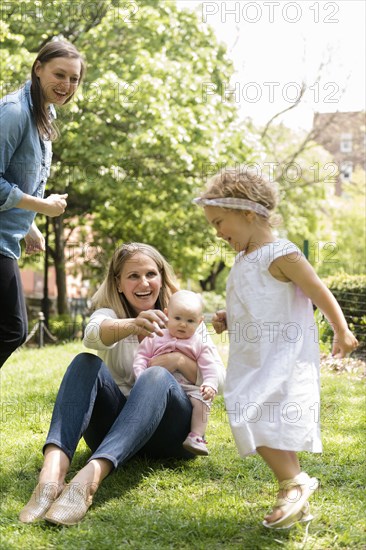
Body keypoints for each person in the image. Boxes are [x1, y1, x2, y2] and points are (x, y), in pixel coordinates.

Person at [193, 168, 358, 529]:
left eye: (220, 222)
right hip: (251, 358)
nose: (218, 233)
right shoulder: (242, 259)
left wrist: (341, 330)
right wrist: (227, 317)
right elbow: (255, 303)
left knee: (253, 414)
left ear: (248, 213)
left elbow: (319, 291)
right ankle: (295, 494)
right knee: (260, 417)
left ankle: (293, 484)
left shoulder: (282, 253)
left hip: (282, 357)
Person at [19, 243, 226, 526]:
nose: (144, 283)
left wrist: (176, 360)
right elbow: (91, 336)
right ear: (118, 283)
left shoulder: (185, 318)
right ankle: (51, 477)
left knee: (155, 376)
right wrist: (133, 325)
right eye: (133, 276)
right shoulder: (110, 315)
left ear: (162, 278)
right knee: (85, 362)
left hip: (169, 434)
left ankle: (88, 480)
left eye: (151, 274)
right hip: (115, 430)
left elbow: (219, 381)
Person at [0, 40, 85, 368]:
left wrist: (30, 224)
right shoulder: (15, 113)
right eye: (59, 74)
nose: (67, 85)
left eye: (74, 79)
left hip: (8, 238)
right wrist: (42, 206)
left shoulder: (44, 112)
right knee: (13, 328)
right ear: (38, 69)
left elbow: (15, 179)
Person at [133, 289, 222, 456]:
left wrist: (209, 384)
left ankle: (196, 436)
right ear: (167, 315)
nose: (183, 324)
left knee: (203, 401)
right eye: (177, 318)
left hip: (188, 389)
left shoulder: (200, 343)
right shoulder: (155, 336)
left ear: (200, 321)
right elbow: (141, 357)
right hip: (157, 387)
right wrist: (140, 375)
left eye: (190, 321)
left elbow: (210, 367)